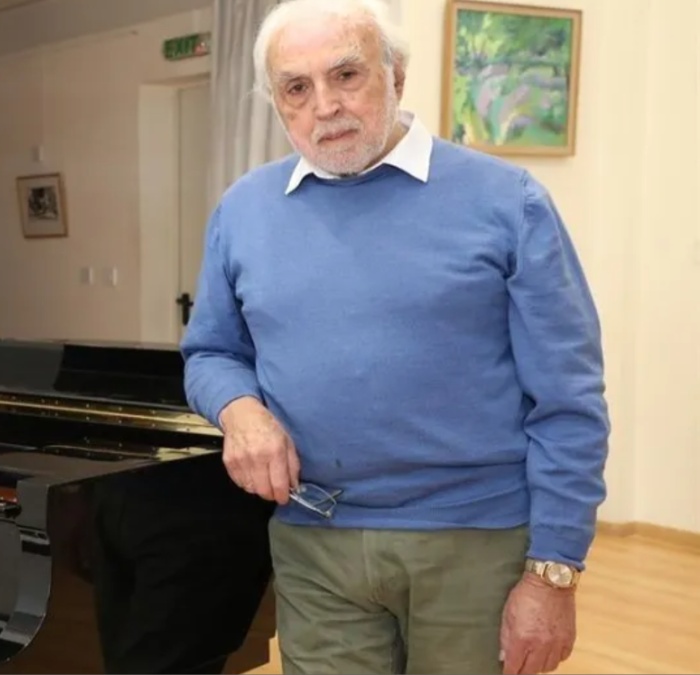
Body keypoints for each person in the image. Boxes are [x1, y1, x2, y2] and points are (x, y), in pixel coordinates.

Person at [178, 0, 610, 674]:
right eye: (296, 88)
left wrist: (554, 571)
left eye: (346, 74)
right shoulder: (243, 211)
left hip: (475, 543)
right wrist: (239, 409)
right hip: (314, 541)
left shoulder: (509, 202)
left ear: (396, 75)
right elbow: (211, 352)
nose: (325, 106)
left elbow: (569, 400)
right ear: (277, 103)